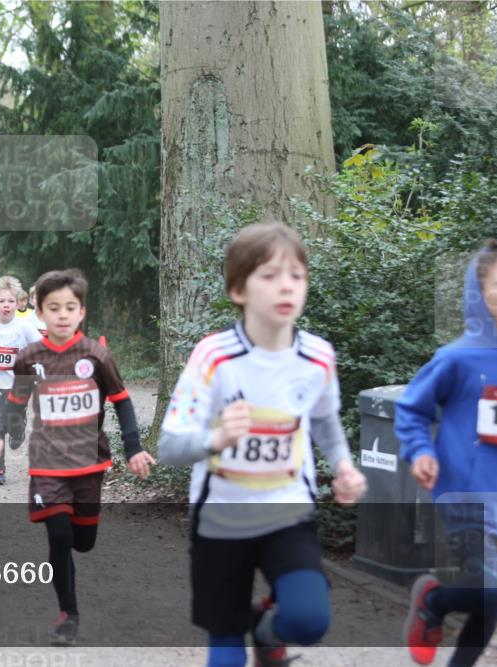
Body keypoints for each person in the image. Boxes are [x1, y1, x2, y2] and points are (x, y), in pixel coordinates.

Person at [157, 222, 367, 667]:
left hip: (288, 513)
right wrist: (217, 438)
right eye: (269, 276)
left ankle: (268, 630)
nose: (285, 286)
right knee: (226, 646)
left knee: (309, 620)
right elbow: (171, 447)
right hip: (220, 521)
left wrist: (344, 465)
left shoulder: (317, 357)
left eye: (296, 275)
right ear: (239, 289)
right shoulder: (214, 357)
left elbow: (325, 421)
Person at [0, 269, 155, 645]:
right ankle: (68, 614)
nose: (62, 314)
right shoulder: (30, 357)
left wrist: (134, 448)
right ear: (40, 313)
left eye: (70, 307)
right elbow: (17, 399)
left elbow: (122, 401)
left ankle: (79, 544)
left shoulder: (96, 355)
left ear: (81, 312)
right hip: (47, 462)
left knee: (84, 540)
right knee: (59, 534)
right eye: (53, 307)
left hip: (89, 463)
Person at [396, 239, 497, 667]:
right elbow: (410, 409)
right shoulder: (455, 359)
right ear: (479, 294)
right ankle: (434, 601)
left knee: (489, 603)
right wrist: (420, 449)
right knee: (493, 587)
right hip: (464, 492)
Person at [0, 275, 42, 485]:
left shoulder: (24, 327)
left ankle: (19, 431)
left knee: (13, 424)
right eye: (2, 301)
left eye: (11, 301)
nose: (6, 305)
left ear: (18, 303)